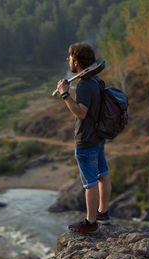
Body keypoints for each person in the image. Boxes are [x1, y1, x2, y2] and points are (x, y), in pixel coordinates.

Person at [56, 42, 112, 233]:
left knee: (90, 182)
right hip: (97, 136)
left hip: (86, 140)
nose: (67, 60)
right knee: (102, 174)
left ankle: (91, 222)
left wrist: (65, 95)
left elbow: (81, 113)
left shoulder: (85, 84)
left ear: (77, 62)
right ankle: (103, 214)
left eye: (69, 57)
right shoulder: (94, 80)